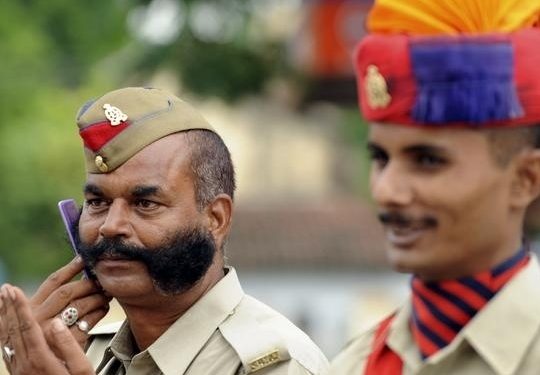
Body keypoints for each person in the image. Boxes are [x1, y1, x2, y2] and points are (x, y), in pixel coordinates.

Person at [0, 87, 328, 374]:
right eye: (97, 202)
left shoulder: (276, 365)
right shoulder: (86, 353)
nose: (111, 227)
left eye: (145, 204)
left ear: (216, 218)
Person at [329, 0, 540, 374]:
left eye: (427, 160)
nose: (386, 191)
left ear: (526, 180)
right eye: (380, 158)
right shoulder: (355, 365)